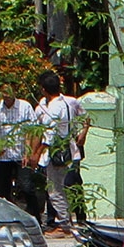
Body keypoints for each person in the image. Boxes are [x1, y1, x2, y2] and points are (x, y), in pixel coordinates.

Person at [29, 70, 85, 230]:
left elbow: (48, 134)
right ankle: (67, 221)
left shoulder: (53, 107)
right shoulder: (66, 102)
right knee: (62, 188)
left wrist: (37, 153)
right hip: (67, 149)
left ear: (43, 89)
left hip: (56, 152)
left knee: (55, 190)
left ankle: (66, 224)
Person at [0, 85, 35, 206]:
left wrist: (28, 152)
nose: (7, 94)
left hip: (21, 156)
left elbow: (31, 131)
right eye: (4, 91)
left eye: (9, 91)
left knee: (27, 187)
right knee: (1, 190)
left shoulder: (25, 106)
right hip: (2, 157)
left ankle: (35, 216)